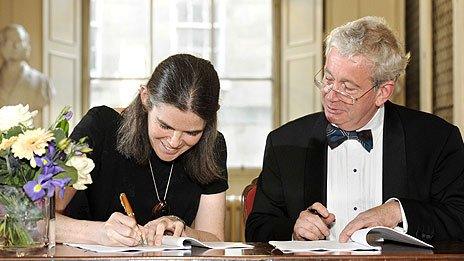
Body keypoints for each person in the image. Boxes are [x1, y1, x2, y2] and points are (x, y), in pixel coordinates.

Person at [246, 16, 464, 243]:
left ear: (383, 92)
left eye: (347, 87)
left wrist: (398, 212)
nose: (331, 95)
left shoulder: (435, 140)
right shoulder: (284, 142)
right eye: (328, 79)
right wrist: (293, 230)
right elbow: (257, 228)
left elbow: (458, 218)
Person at [56, 54, 228, 246]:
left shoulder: (212, 146)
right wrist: (98, 233)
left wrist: (183, 231)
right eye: (165, 126)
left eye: (192, 132)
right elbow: (37, 221)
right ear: (145, 98)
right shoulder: (100, 126)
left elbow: (216, 241)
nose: (174, 142)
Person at [0, 24, 53, 115]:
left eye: (19, 41)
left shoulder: (41, 82)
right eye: (10, 41)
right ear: (2, 44)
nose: (15, 45)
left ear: (26, 44)